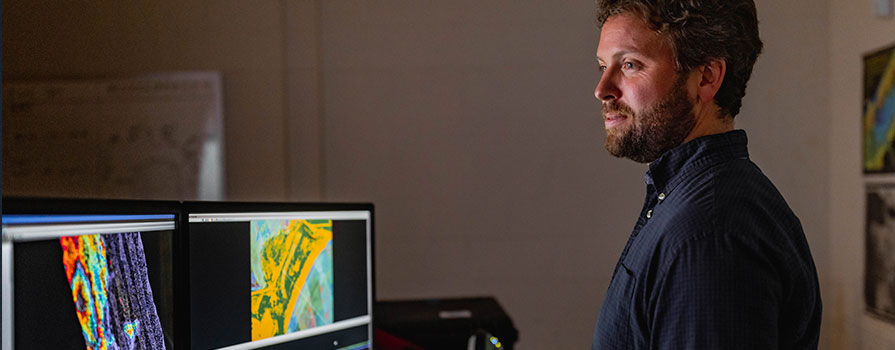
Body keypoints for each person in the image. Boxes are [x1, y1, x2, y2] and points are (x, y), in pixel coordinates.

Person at [590, 0, 822, 349]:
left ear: (707, 77)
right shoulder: (688, 201)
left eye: (629, 64)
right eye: (602, 66)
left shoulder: (708, 234)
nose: (603, 89)